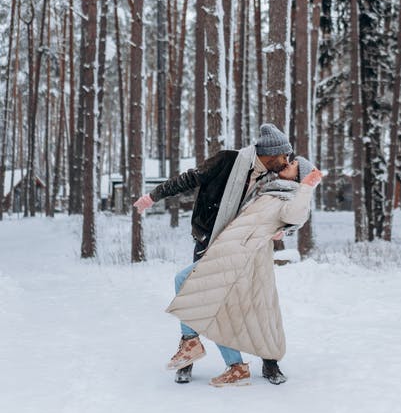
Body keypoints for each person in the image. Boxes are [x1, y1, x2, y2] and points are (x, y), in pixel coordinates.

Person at [133, 123, 293, 383]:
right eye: (284, 155)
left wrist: (282, 230)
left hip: (243, 247)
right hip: (209, 240)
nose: (287, 161)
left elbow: (285, 211)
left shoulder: (272, 179)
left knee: (254, 303)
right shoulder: (228, 161)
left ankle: (268, 362)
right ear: (271, 153)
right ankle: (192, 355)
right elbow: (189, 178)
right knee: (196, 293)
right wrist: (154, 196)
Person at [165, 156, 322, 387]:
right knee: (200, 292)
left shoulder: (291, 196)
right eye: (288, 160)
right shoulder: (269, 187)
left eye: (294, 165)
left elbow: (295, 215)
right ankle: (227, 362)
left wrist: (307, 187)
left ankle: (199, 347)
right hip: (224, 247)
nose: (287, 163)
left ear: (300, 177)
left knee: (190, 283)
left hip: (241, 256)